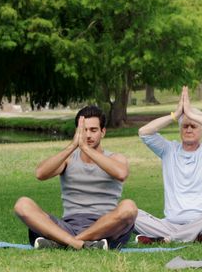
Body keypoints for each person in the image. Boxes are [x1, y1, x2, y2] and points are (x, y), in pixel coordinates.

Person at [14, 106, 137, 250]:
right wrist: (73, 146)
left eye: (93, 130)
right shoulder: (69, 159)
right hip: (68, 226)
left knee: (129, 207)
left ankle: (65, 242)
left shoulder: (115, 158)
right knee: (22, 205)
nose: (88, 135)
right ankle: (83, 244)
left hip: (105, 227)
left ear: (103, 132)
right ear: (77, 131)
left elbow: (121, 174)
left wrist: (85, 148)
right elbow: (40, 174)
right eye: (84, 130)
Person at [134, 86, 202, 244]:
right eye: (185, 126)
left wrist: (191, 114)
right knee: (131, 214)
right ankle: (189, 238)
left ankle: (168, 240)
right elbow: (144, 132)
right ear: (180, 129)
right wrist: (175, 114)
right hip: (169, 224)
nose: (189, 129)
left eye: (194, 126)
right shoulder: (168, 150)